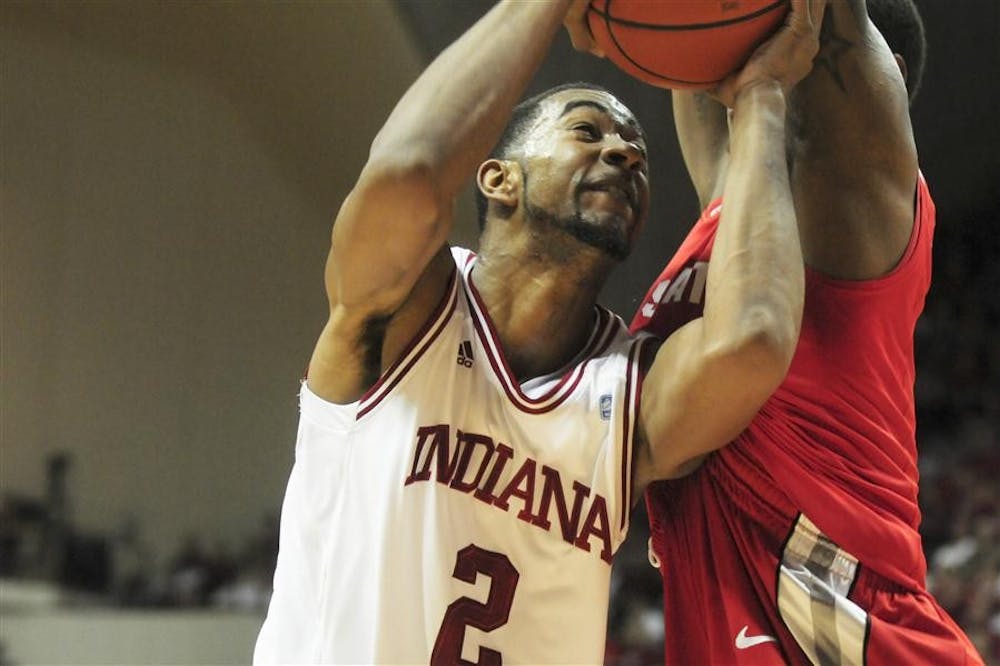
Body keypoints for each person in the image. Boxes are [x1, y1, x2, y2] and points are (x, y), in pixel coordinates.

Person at [252, 0, 829, 662]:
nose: (622, 152)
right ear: (499, 178)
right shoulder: (410, 309)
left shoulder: (627, 389)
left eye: (635, 151)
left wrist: (759, 98)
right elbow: (405, 171)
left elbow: (753, 340)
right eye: (587, 133)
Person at [569, 0, 984, 663]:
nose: (765, 57)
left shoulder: (863, 204)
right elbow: (697, 45)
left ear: (890, 82)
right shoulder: (737, 206)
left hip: (855, 626)